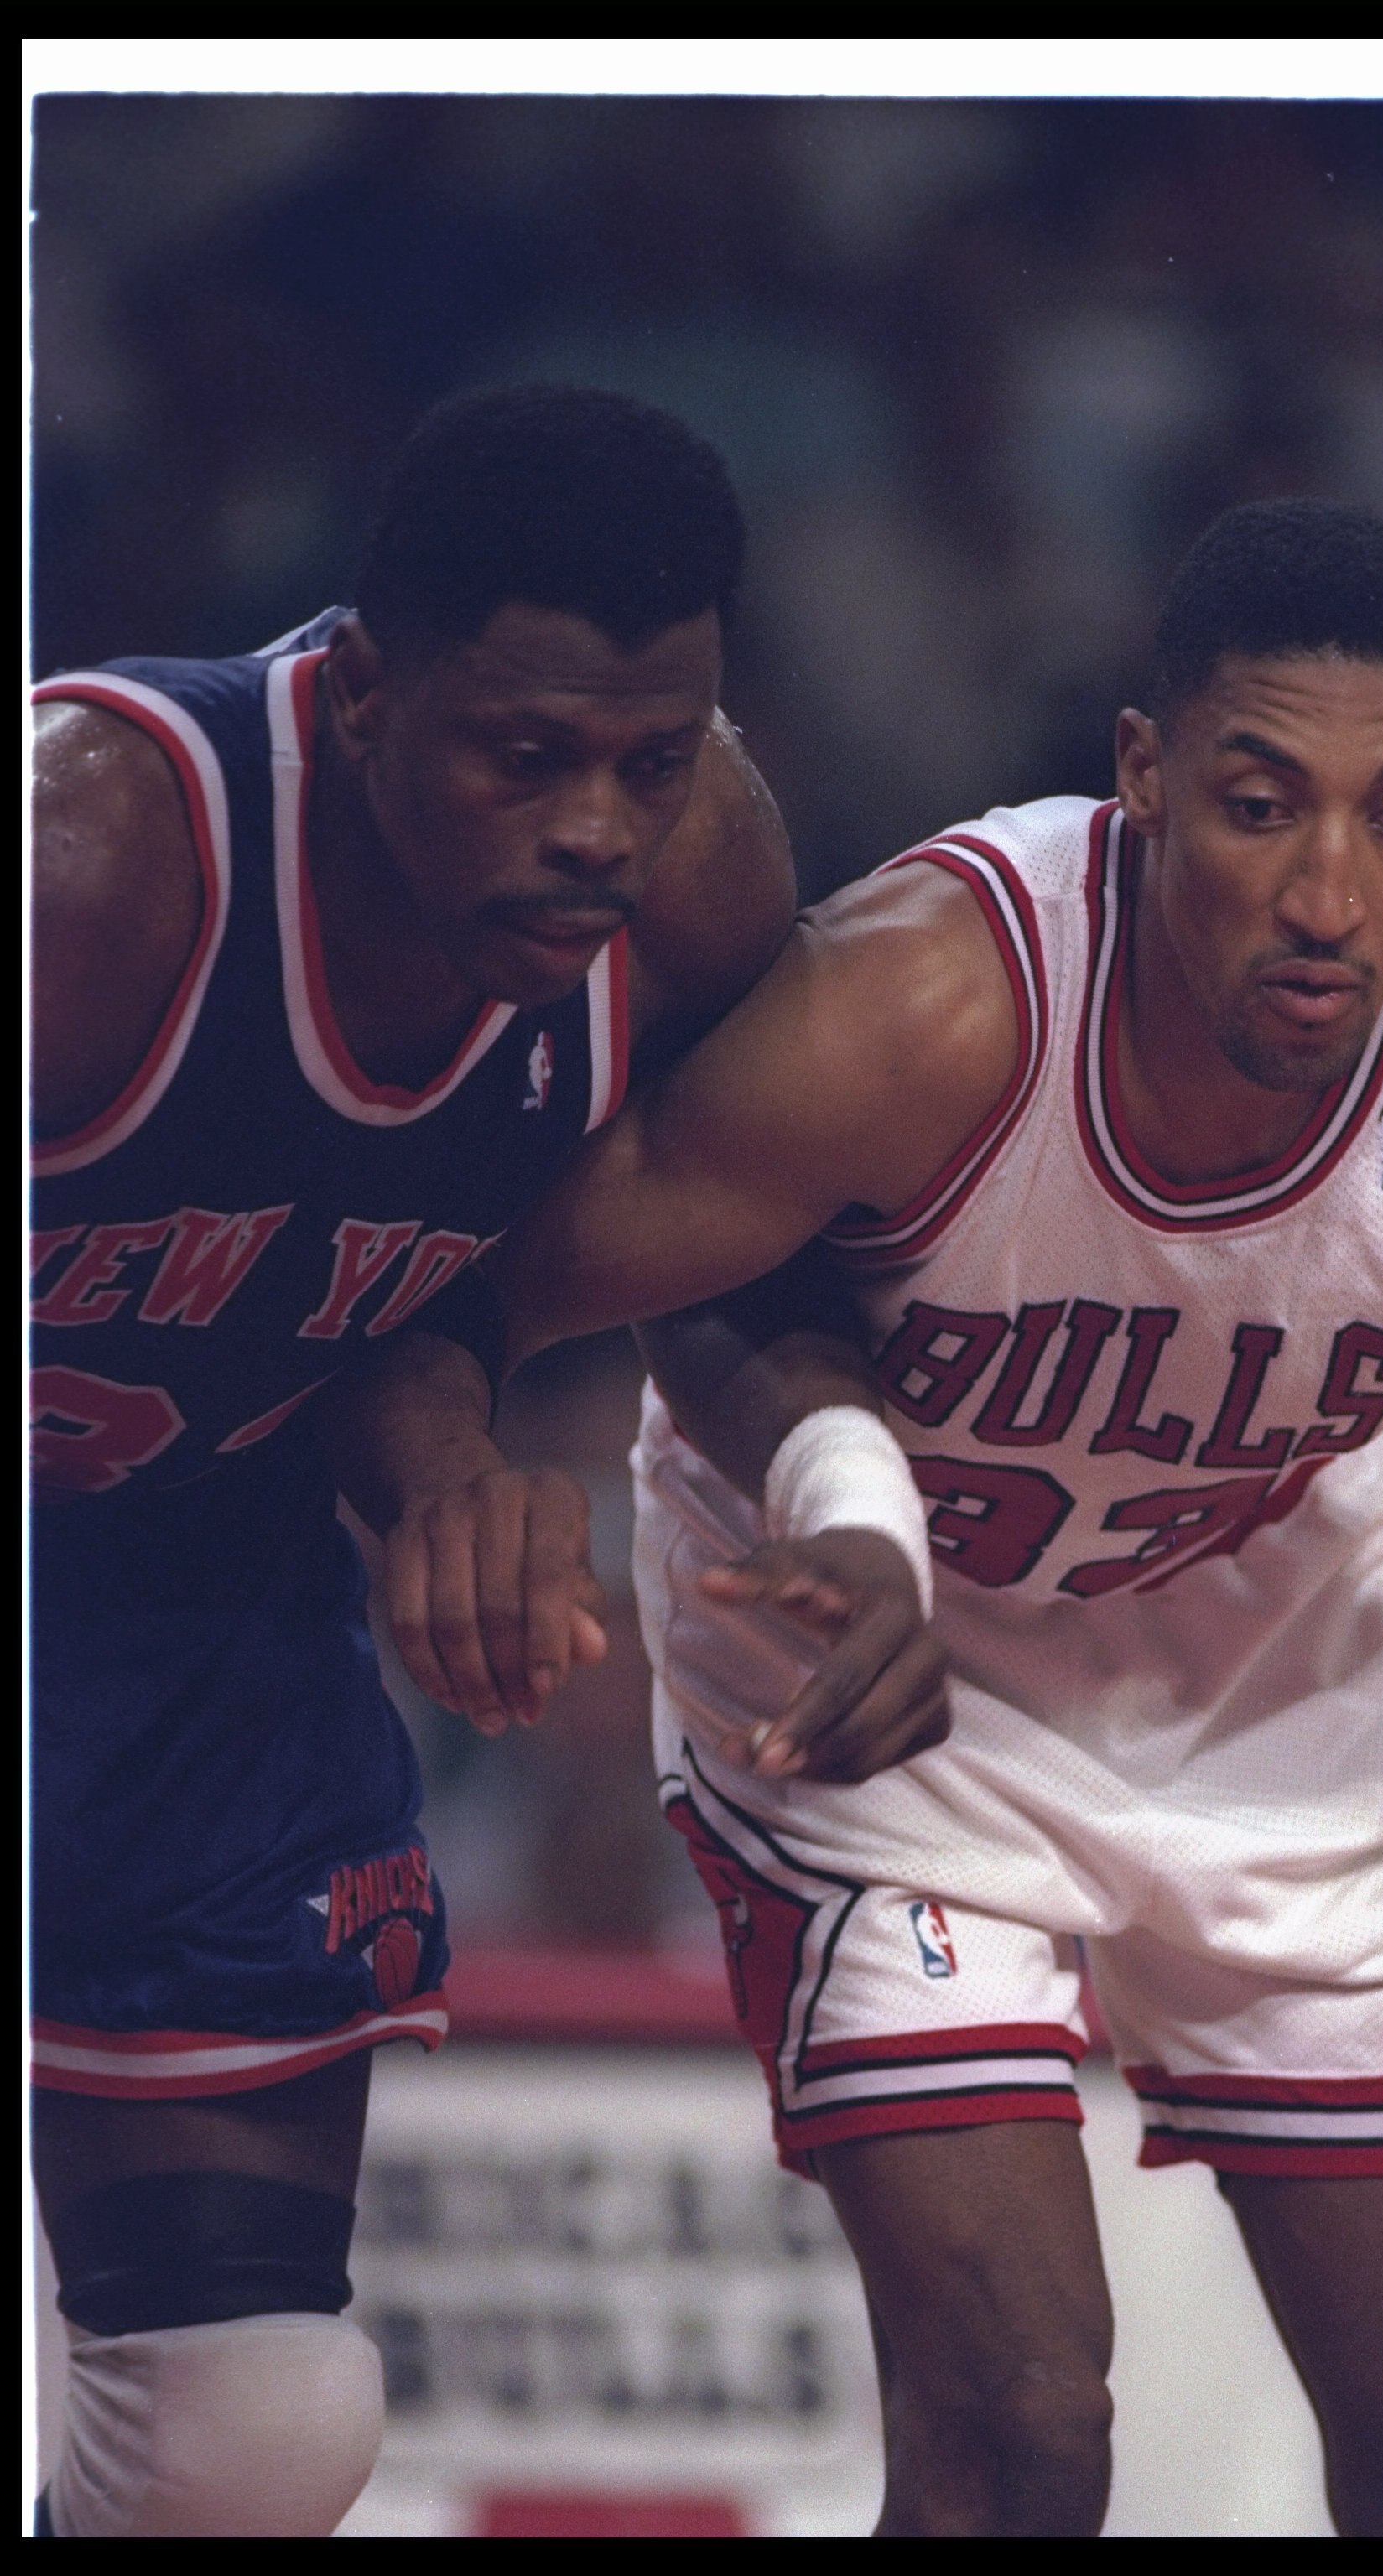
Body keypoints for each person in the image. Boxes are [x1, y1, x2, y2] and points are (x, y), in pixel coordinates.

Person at [472, 501, 1383, 2537]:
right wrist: (469, 1474)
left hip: (1279, 1685)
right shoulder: (939, 993)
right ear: (1138, 781)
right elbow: (558, 1264)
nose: (1329, 893)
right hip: (874, 1690)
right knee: (1023, 2436)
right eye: (1255, 806)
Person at [29, 383, 801, 2537]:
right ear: (360, 689)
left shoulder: (702, 888)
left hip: (199, 1587)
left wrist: (450, 1454)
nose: (599, 830)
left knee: (252, 2431)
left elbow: (684, 1271)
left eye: (655, 759)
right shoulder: (93, 858)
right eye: (527, 754)